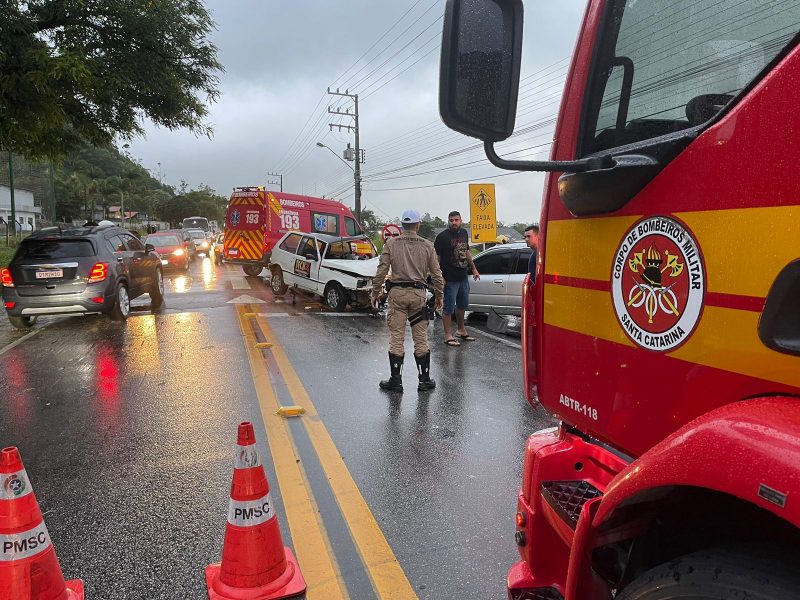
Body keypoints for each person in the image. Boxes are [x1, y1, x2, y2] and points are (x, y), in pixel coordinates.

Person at [372, 210, 444, 393]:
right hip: (418, 296)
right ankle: (424, 380)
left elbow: (381, 271)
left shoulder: (391, 243)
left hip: (397, 295)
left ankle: (396, 382)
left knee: (396, 338)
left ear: (402, 226)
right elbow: (437, 275)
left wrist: (375, 293)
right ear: (418, 225)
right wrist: (439, 296)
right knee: (420, 338)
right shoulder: (428, 245)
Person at [434, 211, 480, 347]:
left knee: (462, 304)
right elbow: (436, 259)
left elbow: (466, 252)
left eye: (456, 220)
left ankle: (461, 330)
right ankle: (448, 335)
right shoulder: (442, 237)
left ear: (461, 220)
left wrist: (474, 269)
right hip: (449, 278)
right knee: (448, 307)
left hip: (463, 276)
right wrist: (439, 276)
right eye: (451, 220)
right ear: (448, 221)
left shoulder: (464, 233)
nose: (454, 222)